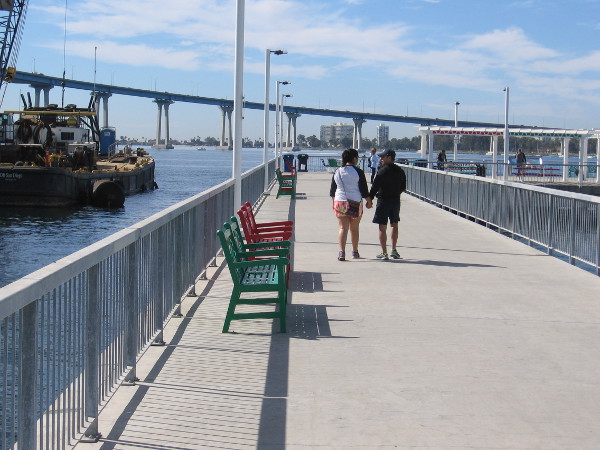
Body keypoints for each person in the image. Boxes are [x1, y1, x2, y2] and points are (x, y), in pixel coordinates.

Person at [365, 149, 406, 260]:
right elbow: (403, 187)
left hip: (383, 201)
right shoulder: (400, 171)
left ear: (389, 157)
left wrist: (370, 199)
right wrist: (396, 193)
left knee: (382, 227)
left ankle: (384, 252)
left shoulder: (382, 171)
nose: (381, 159)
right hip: (395, 201)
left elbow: (375, 186)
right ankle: (394, 249)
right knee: (394, 224)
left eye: (383, 157)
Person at [330, 148, 369, 261]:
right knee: (354, 229)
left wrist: (334, 202)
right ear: (354, 158)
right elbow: (364, 190)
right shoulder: (358, 172)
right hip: (355, 202)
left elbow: (333, 190)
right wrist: (369, 201)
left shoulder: (337, 171)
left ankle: (342, 252)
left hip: (340, 201)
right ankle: (355, 252)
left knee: (343, 228)